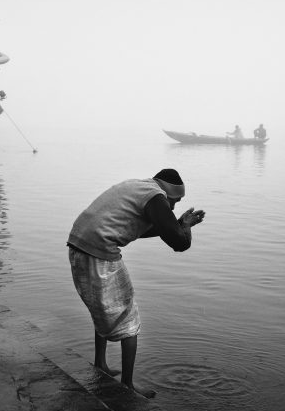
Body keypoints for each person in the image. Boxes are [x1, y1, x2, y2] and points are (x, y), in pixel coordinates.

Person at [67, 169, 205, 398]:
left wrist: (178, 222)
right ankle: (128, 385)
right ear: (169, 192)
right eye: (175, 202)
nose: (172, 207)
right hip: (99, 252)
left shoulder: (138, 186)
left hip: (78, 245)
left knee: (101, 308)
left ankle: (100, 363)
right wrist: (186, 227)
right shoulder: (156, 197)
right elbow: (179, 243)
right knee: (129, 317)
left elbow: (139, 229)